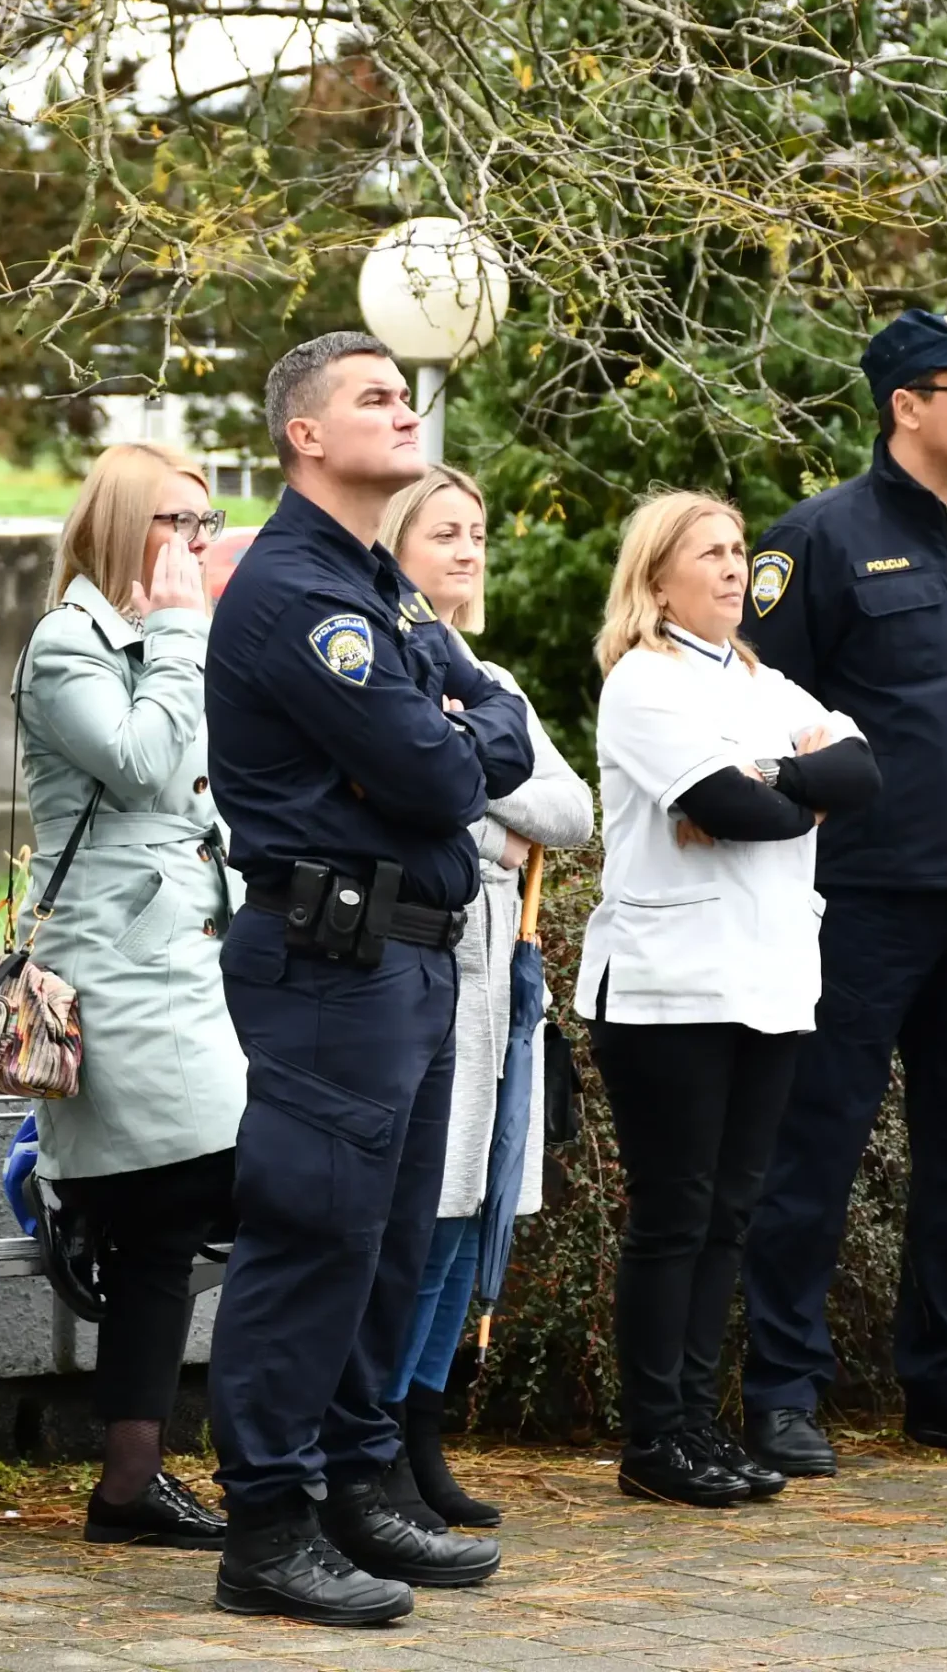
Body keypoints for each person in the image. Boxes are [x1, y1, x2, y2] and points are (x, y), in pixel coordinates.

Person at [200, 332, 534, 1627]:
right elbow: (451, 773)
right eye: (375, 398)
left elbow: (489, 714)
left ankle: (350, 1479)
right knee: (312, 1236)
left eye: (407, 393)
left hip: (408, 951)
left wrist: (453, 731)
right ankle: (269, 1526)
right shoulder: (297, 592)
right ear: (303, 434)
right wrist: (449, 738)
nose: (405, 411)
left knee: (385, 1239)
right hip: (330, 958)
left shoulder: (372, 580)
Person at [734, 309, 947, 1477]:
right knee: (814, 1146)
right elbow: (765, 717)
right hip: (858, 894)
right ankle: (782, 1390)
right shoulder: (815, 539)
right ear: (904, 404)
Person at [580, 492, 879, 1508]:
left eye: (738, 550)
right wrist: (790, 788)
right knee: (675, 1216)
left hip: (768, 982)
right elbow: (731, 810)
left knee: (730, 1217)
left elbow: (863, 773)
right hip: (669, 988)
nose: (732, 568)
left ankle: (699, 1426)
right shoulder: (643, 684)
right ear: (656, 575)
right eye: (708, 552)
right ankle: (653, 1439)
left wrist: (772, 779)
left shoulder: (759, 679)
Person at [15, 443, 243, 1549]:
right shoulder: (70, 642)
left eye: (205, 525)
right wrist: (182, 634)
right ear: (119, 525)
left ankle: (143, 1479)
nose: (197, 545)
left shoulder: (157, 640)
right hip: (121, 968)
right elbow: (147, 766)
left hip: (187, 957)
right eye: (176, 523)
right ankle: (156, 1475)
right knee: (185, 1213)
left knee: (187, 1220)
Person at [377, 466, 592, 1530]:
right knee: (422, 1216)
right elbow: (396, 796)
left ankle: (425, 1427)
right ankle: (379, 1441)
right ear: (394, 544)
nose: (465, 551)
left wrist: (470, 782)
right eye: (443, 532)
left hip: (493, 987)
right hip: (416, 966)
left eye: (476, 532)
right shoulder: (381, 665)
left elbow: (572, 808)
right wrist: (488, 811)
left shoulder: (490, 674)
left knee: (476, 1215)